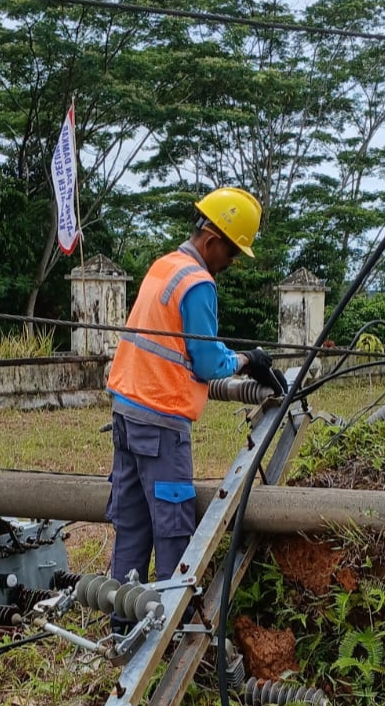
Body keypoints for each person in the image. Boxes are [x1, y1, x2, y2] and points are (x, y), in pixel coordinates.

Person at [104, 187, 284, 622]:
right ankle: (169, 629)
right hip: (160, 422)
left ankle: (121, 625)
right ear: (212, 240)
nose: (231, 263)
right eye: (232, 253)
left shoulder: (163, 266)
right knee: (172, 528)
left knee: (132, 523)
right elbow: (206, 362)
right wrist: (247, 360)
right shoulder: (198, 282)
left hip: (125, 411)